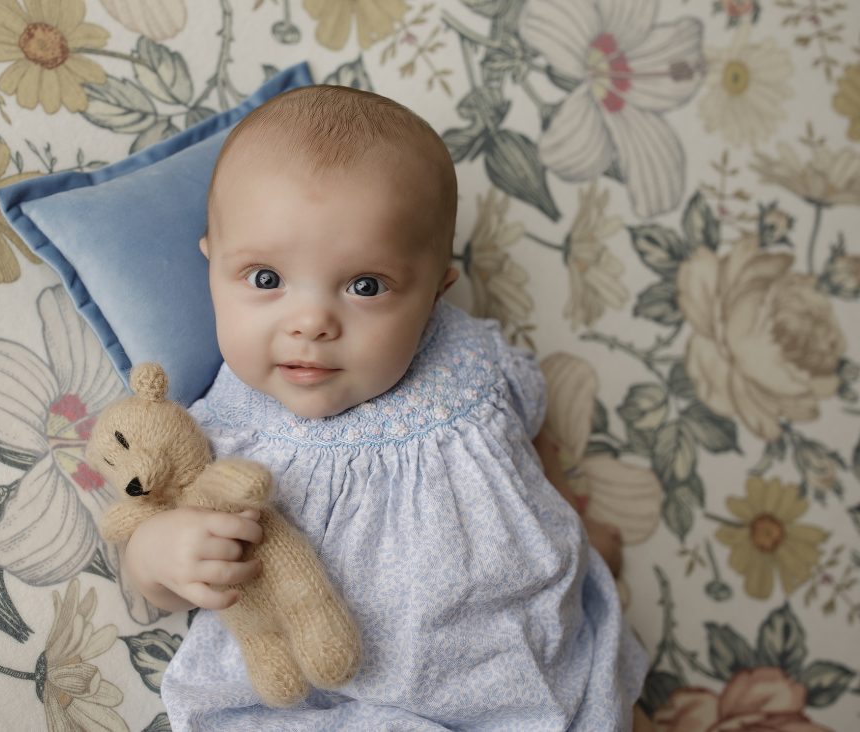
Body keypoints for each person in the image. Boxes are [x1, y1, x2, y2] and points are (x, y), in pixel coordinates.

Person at [122, 85, 652, 730]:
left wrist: (577, 524)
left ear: (434, 292)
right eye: (266, 279)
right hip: (332, 702)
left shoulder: (471, 358)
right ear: (211, 265)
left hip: (524, 668)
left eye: (365, 285)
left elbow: (532, 441)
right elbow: (154, 550)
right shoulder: (217, 429)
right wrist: (160, 556)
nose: (311, 322)